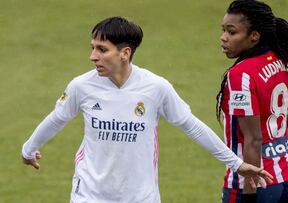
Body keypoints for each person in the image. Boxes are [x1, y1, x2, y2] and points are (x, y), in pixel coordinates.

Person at [22, 16, 272, 203]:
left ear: (125, 53)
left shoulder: (155, 88)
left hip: (141, 197)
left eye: (102, 49)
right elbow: (58, 118)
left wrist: (236, 163)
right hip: (89, 194)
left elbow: (192, 126)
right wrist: (28, 149)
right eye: (92, 48)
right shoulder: (81, 86)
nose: (93, 56)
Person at [217, 1, 288, 202]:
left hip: (256, 184)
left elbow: (253, 139)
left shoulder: (241, 74)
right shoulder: (283, 59)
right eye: (223, 30)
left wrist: (249, 195)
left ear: (254, 36)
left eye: (232, 32)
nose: (223, 38)